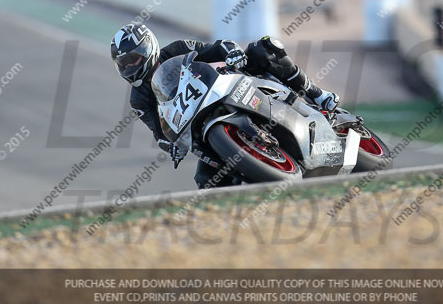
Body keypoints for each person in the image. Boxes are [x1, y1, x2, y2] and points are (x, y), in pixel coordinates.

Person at [110, 23, 340, 189]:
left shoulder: (177, 48)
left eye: (134, 59)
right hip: (197, 125)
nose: (130, 66)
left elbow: (216, 48)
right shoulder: (138, 99)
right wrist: (170, 146)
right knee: (205, 181)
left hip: (227, 87)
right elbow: (159, 132)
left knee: (265, 47)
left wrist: (233, 53)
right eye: (124, 63)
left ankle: (317, 95)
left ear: (148, 49)